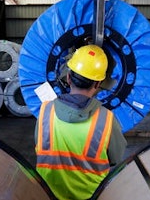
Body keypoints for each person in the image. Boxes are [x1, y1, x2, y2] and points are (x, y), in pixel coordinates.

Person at [35, 44, 127, 200]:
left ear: (69, 77)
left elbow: (39, 149)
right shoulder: (107, 120)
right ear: (98, 84)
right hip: (92, 197)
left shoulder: (45, 112)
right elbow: (116, 159)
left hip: (47, 195)